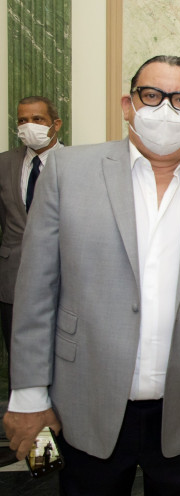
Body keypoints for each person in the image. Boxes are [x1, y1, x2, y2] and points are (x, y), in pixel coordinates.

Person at [2, 55, 180, 496]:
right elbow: (36, 291)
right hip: (81, 404)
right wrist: (27, 394)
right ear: (128, 105)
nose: (165, 110)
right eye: (152, 95)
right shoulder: (66, 172)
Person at [0, 95, 63, 467]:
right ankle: (40, 457)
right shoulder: (4, 164)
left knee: (62, 368)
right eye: (23, 120)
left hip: (63, 283)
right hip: (13, 283)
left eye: (38, 119)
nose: (29, 126)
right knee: (23, 367)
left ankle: (72, 443)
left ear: (56, 124)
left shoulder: (75, 164)